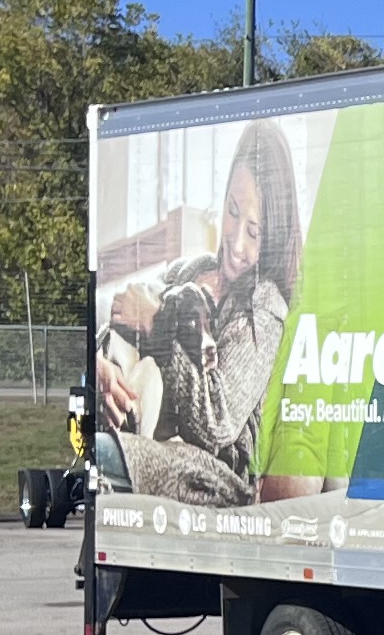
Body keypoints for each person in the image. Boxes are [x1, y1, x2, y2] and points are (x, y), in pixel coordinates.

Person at [97, 124, 298, 507]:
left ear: (274, 235)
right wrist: (102, 373)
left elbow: (217, 423)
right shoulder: (187, 271)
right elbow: (121, 314)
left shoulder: (264, 305)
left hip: (208, 471)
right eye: (232, 213)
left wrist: (157, 323)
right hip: (144, 429)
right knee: (98, 448)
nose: (236, 244)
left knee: (104, 455)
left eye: (254, 232)